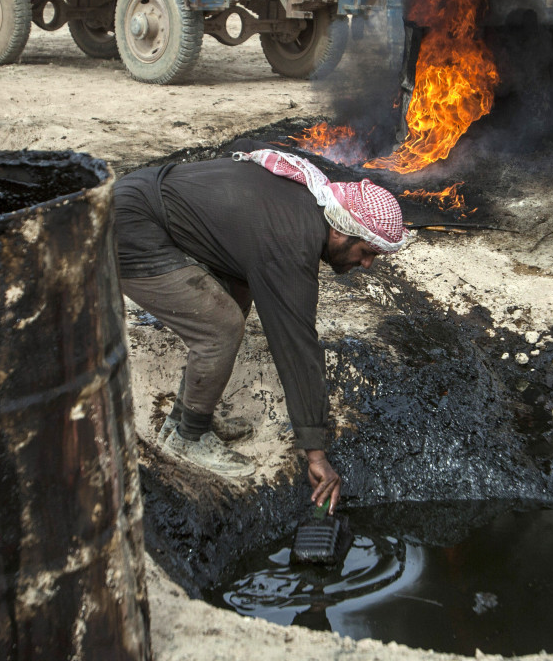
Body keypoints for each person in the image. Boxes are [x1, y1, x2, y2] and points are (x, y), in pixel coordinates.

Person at [113, 148, 411, 511]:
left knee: (233, 300)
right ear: (341, 230)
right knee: (220, 327)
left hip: (138, 202)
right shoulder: (291, 240)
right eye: (367, 252)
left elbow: (245, 264)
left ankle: (186, 416)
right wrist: (315, 454)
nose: (366, 264)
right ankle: (187, 437)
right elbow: (298, 349)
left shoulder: (305, 206)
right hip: (129, 229)